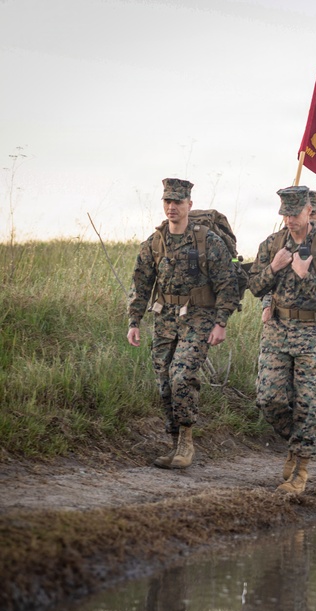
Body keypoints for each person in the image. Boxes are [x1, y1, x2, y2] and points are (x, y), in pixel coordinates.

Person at [127, 178, 239, 470]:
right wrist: (134, 321)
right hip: (164, 319)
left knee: (182, 376)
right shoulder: (154, 243)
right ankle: (174, 442)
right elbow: (140, 285)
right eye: (167, 201)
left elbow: (228, 284)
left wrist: (221, 322)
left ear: (190, 204)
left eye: (178, 202)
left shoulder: (206, 241)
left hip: (199, 318)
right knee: (164, 382)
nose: (172, 207)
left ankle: (187, 443)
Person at [248, 185, 316, 494]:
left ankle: (301, 470)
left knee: (307, 404)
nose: (290, 220)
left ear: (309, 210)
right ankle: (296, 442)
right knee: (269, 398)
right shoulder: (272, 244)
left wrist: (306, 277)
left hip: (315, 336)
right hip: (278, 332)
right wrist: (274, 267)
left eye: (295, 214)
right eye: (285, 215)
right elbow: (253, 285)